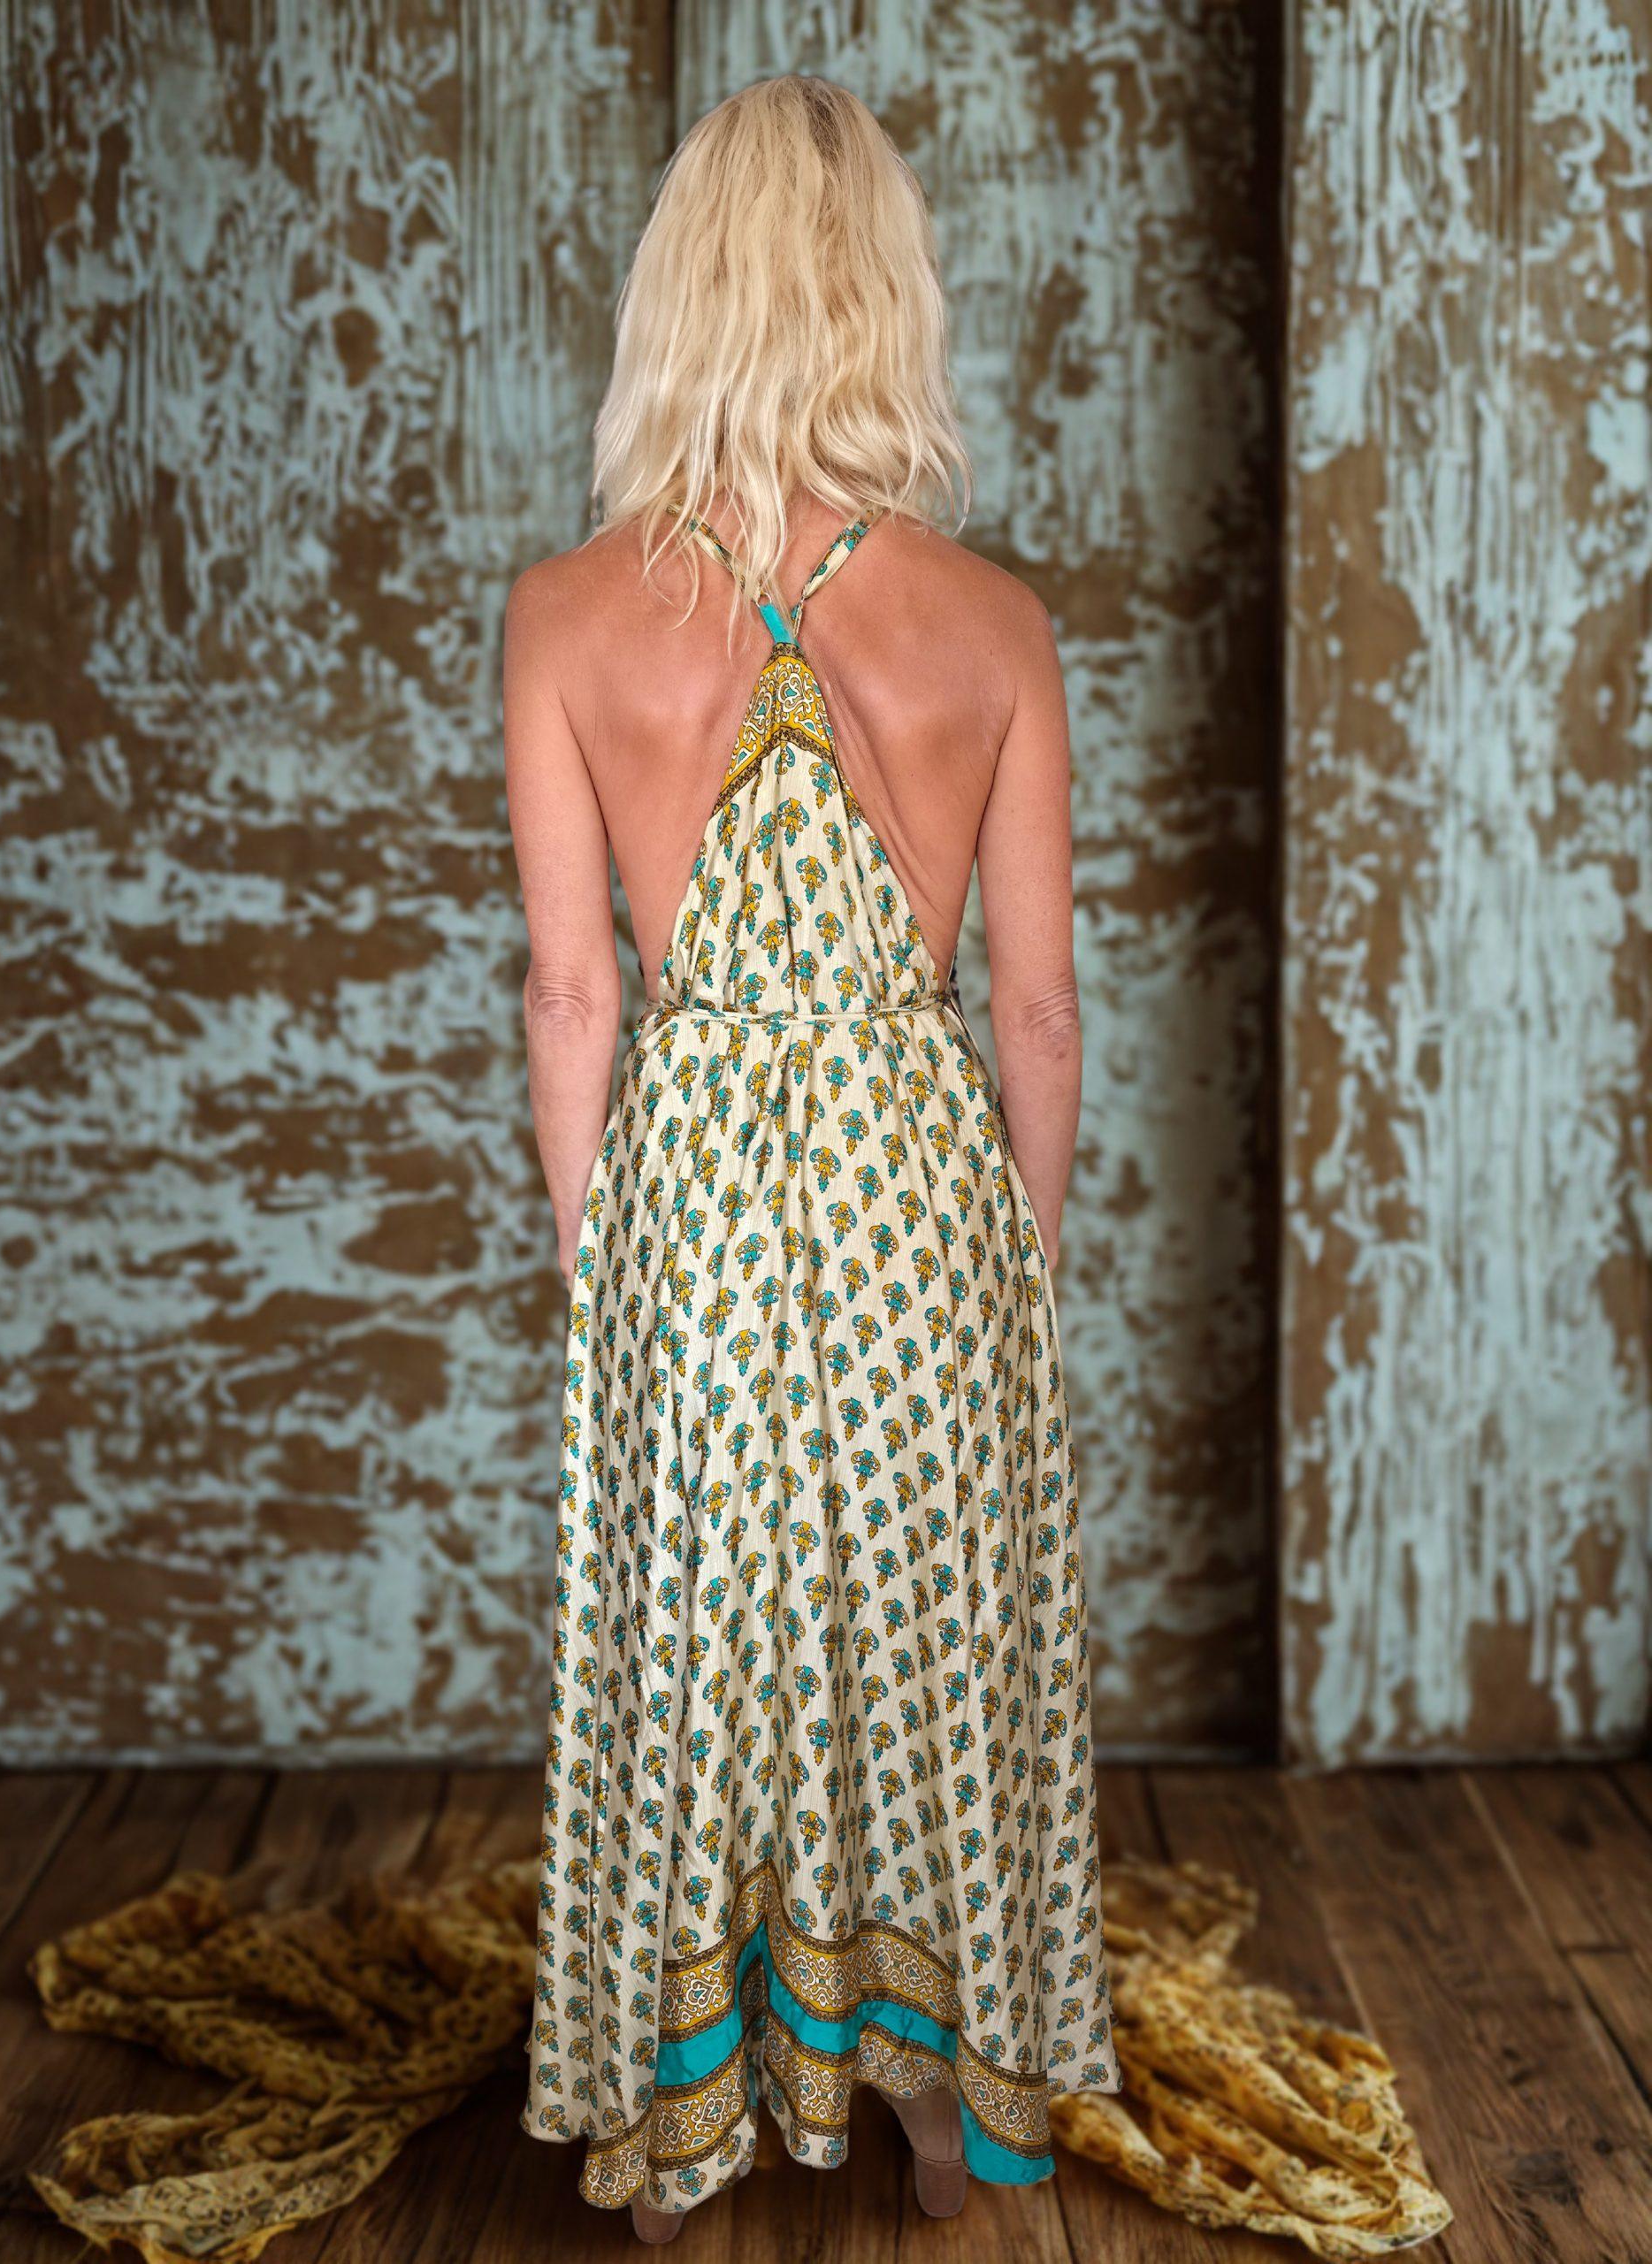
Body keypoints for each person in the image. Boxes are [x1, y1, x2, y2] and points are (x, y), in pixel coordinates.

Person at [505, 73, 1120, 2245]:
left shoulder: (567, 612)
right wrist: (1012, 1263)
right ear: (884, 303)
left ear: (683, 296)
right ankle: (942, 2114)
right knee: (920, 1642)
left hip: (688, 1185)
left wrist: (601, 1254)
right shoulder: (995, 623)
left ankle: (683, 2135)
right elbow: (1036, 1012)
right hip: (917, 1186)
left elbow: (572, 995)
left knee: (705, 1636)